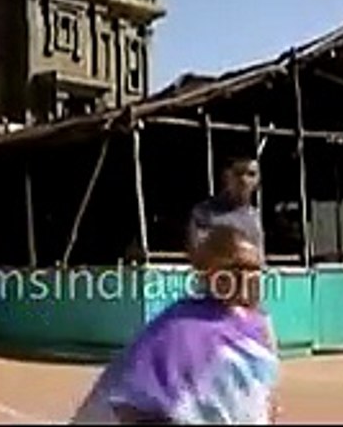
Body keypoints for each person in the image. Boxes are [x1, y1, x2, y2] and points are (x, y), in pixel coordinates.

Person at [70, 225, 279, 424]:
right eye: (235, 268)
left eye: (254, 268)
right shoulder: (179, 330)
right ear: (208, 271)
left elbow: (262, 398)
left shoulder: (259, 327)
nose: (245, 277)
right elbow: (132, 404)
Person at [189, 157, 265, 263]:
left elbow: (259, 260)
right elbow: (197, 252)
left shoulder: (254, 215)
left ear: (258, 181)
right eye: (238, 173)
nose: (244, 179)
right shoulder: (205, 211)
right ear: (226, 177)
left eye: (251, 174)